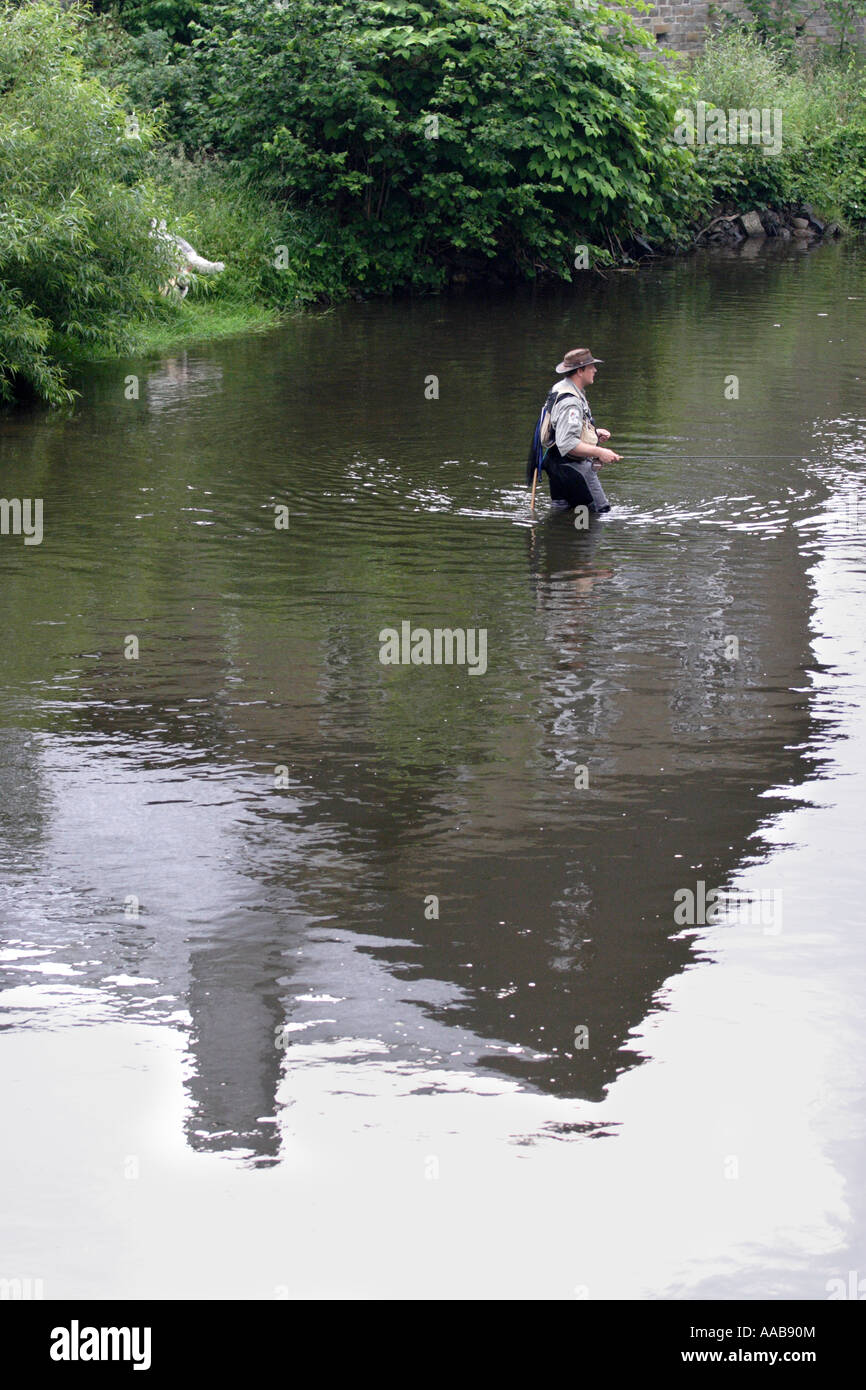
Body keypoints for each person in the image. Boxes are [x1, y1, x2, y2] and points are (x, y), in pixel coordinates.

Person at [527, 347, 621, 513]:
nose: (595, 370)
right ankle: (580, 537)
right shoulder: (571, 403)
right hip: (573, 471)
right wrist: (600, 452)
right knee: (592, 518)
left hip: (556, 466)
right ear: (580, 371)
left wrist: (594, 433)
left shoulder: (560, 388)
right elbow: (568, 444)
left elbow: (560, 429)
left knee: (563, 514)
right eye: (591, 366)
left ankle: (562, 537)